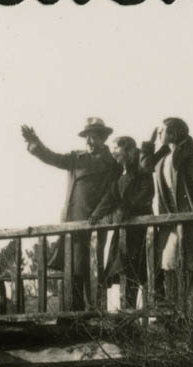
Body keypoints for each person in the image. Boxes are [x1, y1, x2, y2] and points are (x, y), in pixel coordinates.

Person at [21, 117, 116, 310]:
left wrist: (98, 214)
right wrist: (35, 142)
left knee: (91, 268)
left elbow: (112, 194)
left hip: (93, 224)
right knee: (71, 269)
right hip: (71, 223)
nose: (89, 141)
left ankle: (95, 315)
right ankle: (73, 317)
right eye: (86, 137)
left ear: (103, 138)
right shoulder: (76, 158)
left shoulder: (112, 164)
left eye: (93, 137)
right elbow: (53, 157)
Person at [140, 117, 193, 309]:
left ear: (173, 133)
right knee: (168, 265)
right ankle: (175, 312)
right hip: (169, 222)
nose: (160, 133)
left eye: (163, 131)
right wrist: (149, 142)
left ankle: (185, 312)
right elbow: (145, 166)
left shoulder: (186, 156)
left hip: (186, 221)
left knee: (188, 265)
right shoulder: (163, 156)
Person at [90, 135, 154, 309]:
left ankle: (142, 315)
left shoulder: (140, 170)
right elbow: (110, 196)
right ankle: (126, 315)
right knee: (124, 271)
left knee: (139, 272)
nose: (113, 152)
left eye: (117, 148)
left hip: (139, 232)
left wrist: (127, 207)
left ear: (129, 151)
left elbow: (147, 193)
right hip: (124, 233)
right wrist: (97, 213)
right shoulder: (120, 174)